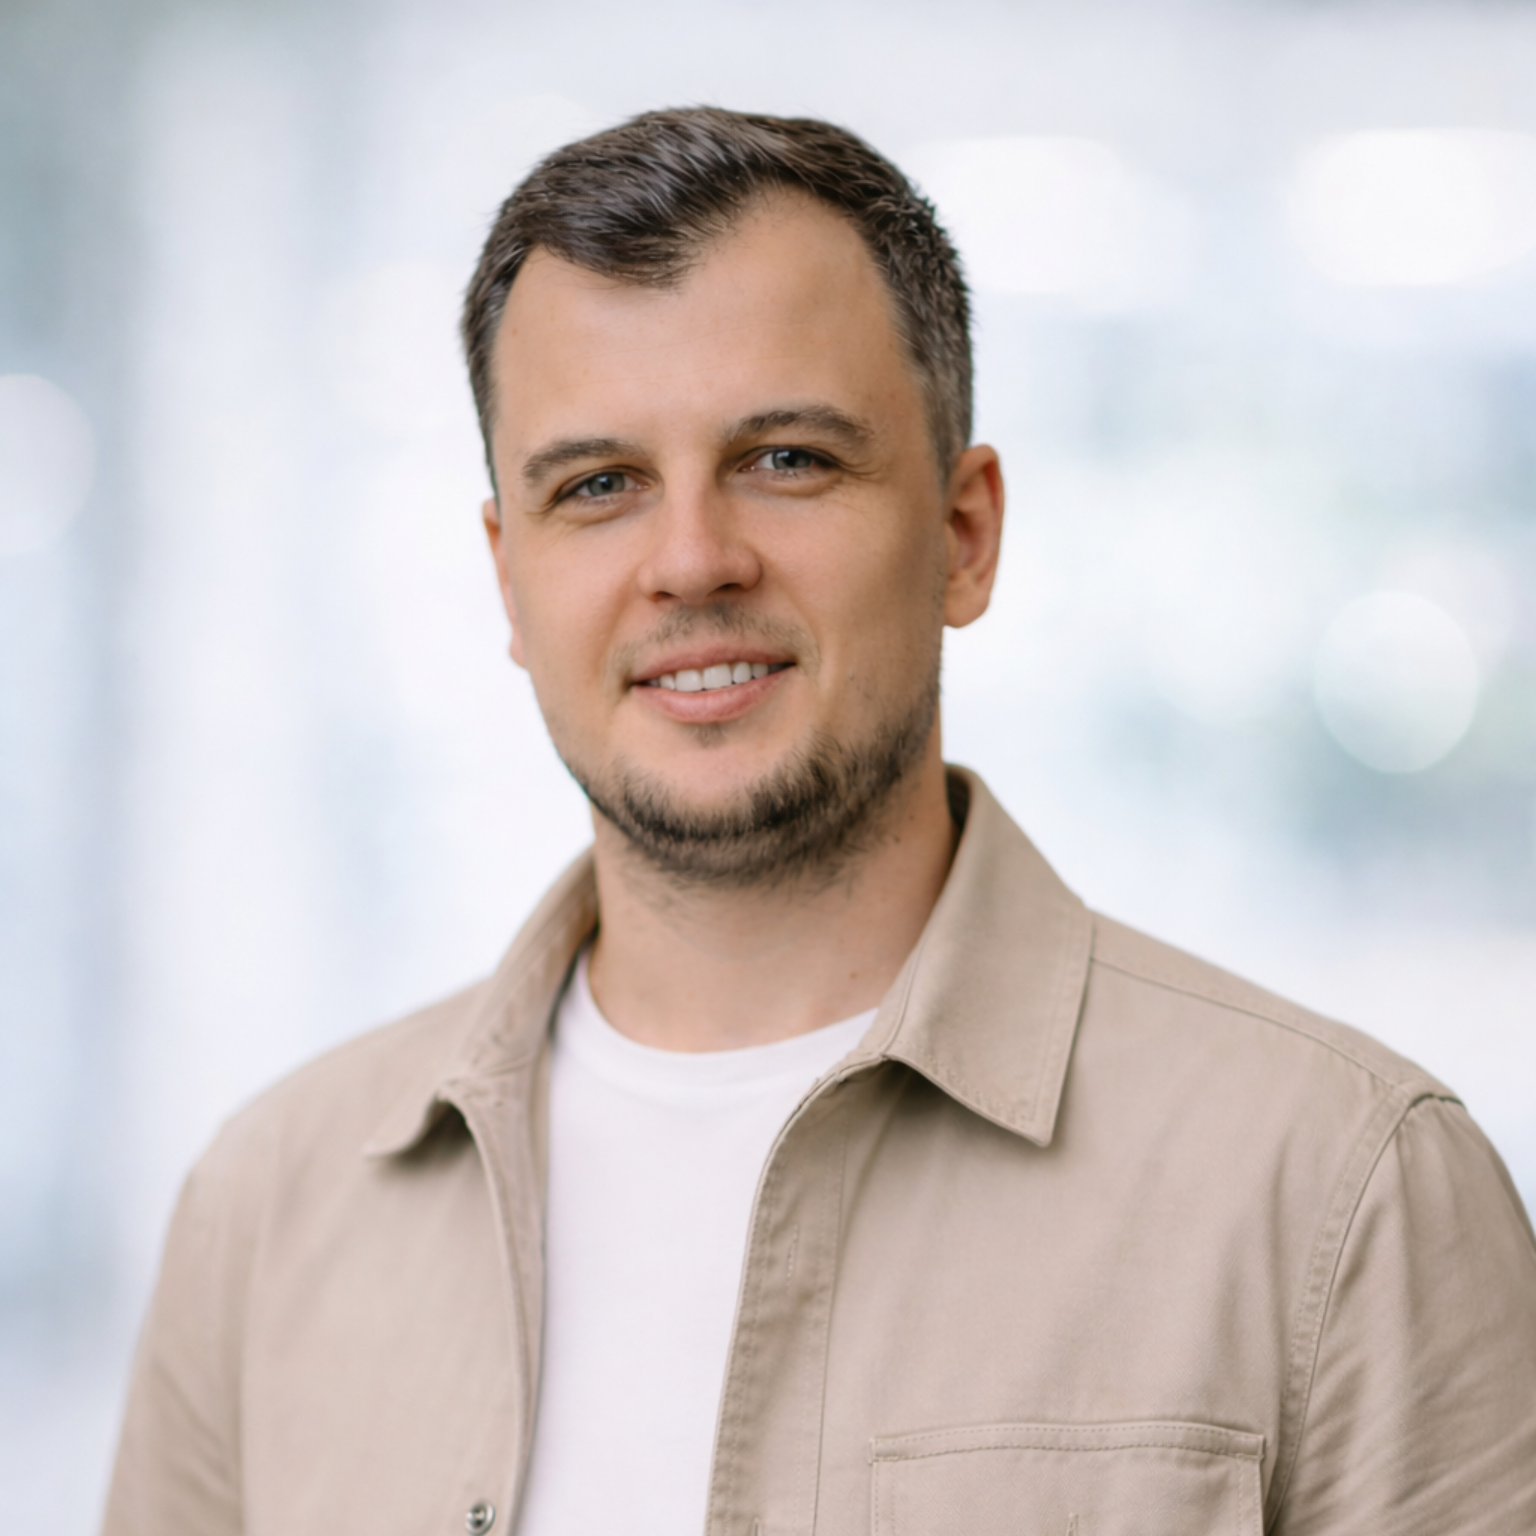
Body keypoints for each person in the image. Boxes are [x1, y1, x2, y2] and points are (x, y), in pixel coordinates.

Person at [103, 107, 1536, 1536]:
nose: (691, 561)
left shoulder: (1346, 1192)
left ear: (964, 533)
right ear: (507, 580)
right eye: (597, 487)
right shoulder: (266, 1212)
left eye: (785, 458)